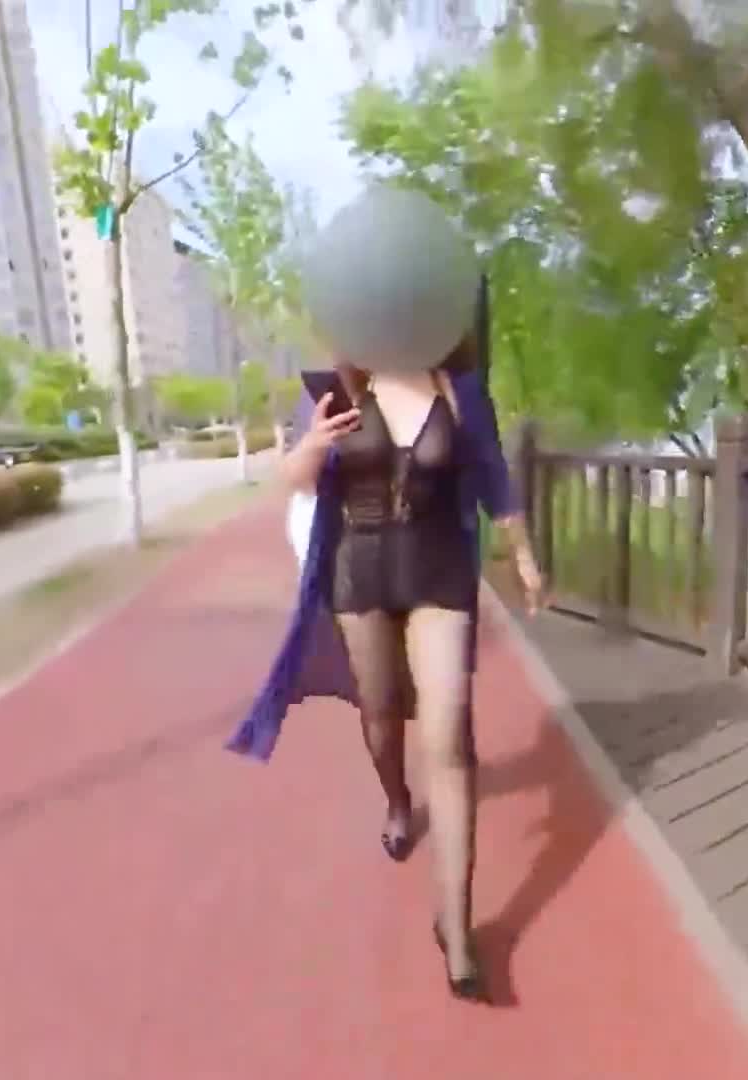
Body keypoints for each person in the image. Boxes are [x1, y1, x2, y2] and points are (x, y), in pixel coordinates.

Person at [228, 191, 545, 1003]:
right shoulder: (333, 386)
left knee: (450, 737)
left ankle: (457, 929)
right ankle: (397, 800)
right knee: (378, 715)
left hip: (438, 571)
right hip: (359, 571)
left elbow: (492, 477)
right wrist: (310, 444)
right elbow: (293, 482)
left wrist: (523, 553)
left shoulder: (459, 387)